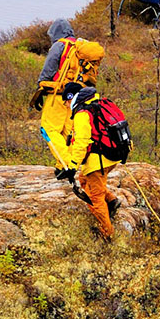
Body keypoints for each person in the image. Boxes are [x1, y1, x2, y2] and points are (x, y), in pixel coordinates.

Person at [60, 82, 121, 240]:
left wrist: (72, 166)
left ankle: (107, 235)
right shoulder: (97, 103)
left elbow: (81, 142)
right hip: (111, 155)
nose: (66, 106)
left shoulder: (82, 113)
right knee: (84, 180)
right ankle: (112, 201)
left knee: (95, 197)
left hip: (99, 160)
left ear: (71, 98)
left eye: (66, 102)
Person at [33, 18, 78, 170]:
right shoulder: (79, 46)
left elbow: (48, 71)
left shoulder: (60, 46)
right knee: (68, 132)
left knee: (49, 129)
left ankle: (66, 163)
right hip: (75, 98)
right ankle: (65, 164)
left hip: (58, 95)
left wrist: (40, 90)